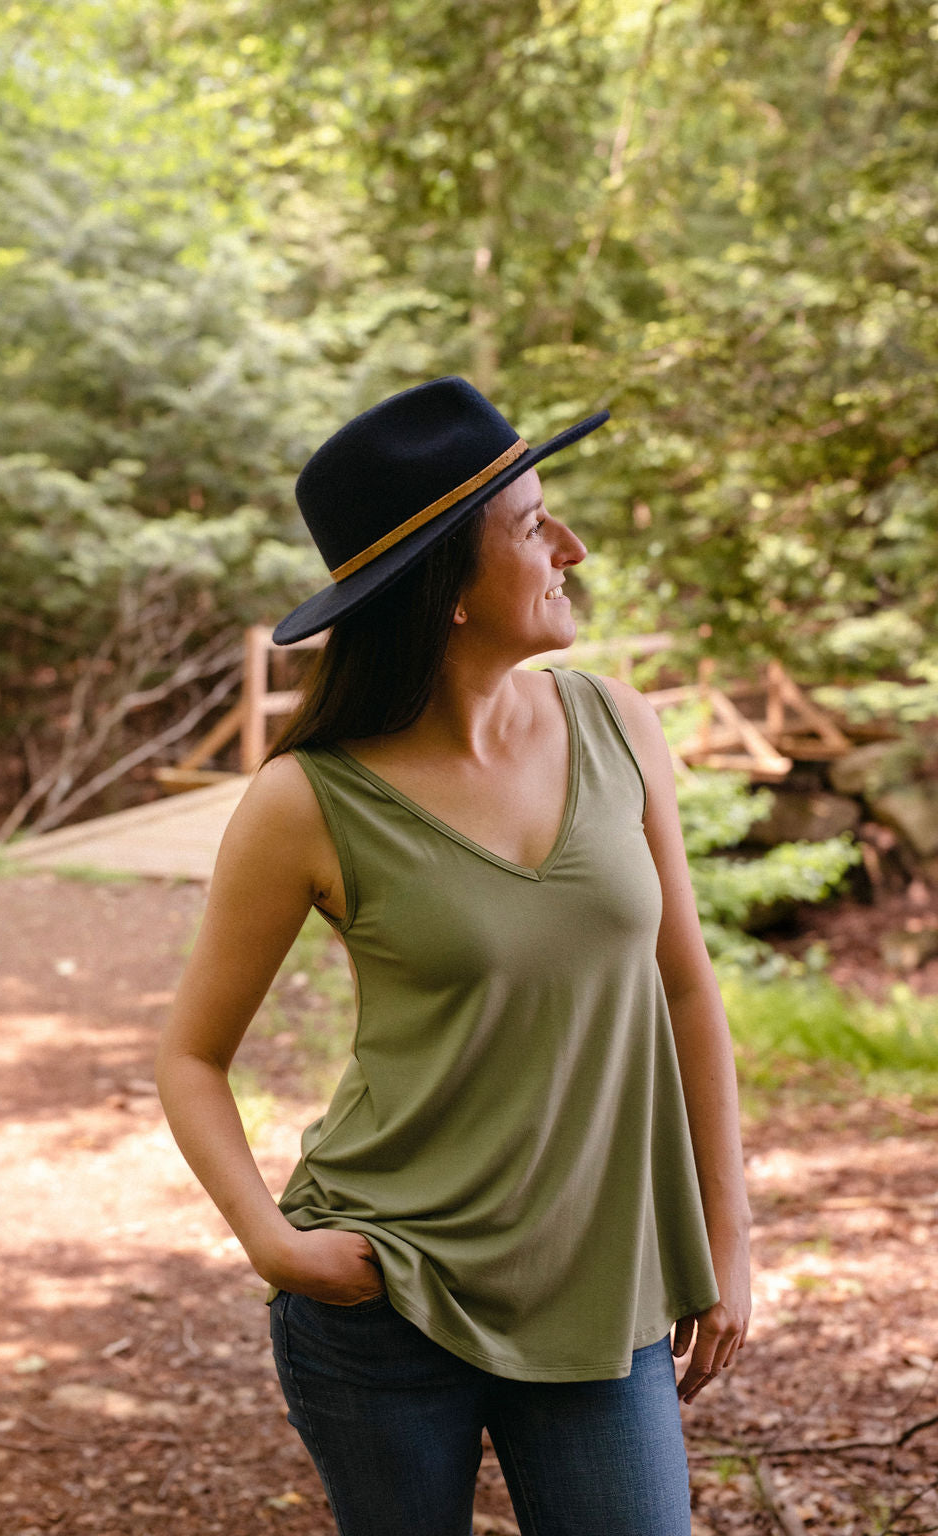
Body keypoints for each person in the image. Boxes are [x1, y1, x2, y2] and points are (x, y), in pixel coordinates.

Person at [156, 376, 752, 1536]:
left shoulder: (618, 726)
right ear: (450, 589)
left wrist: (728, 1237)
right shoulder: (305, 802)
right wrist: (275, 1245)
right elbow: (189, 1054)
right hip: (385, 1304)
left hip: (601, 1289)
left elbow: (685, 984)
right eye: (533, 527)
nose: (569, 546)